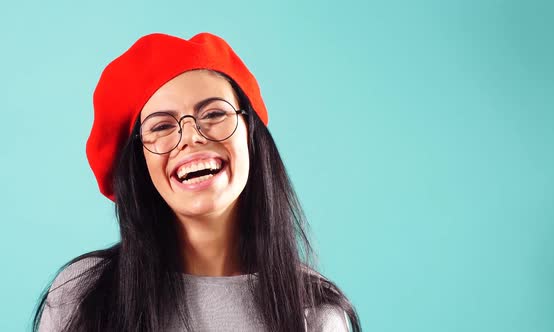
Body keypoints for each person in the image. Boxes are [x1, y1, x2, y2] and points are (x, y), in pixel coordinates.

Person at [32, 32, 361, 332]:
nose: (191, 136)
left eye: (215, 114)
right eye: (161, 127)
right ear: (140, 164)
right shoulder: (83, 297)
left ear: (251, 136)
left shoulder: (316, 313)